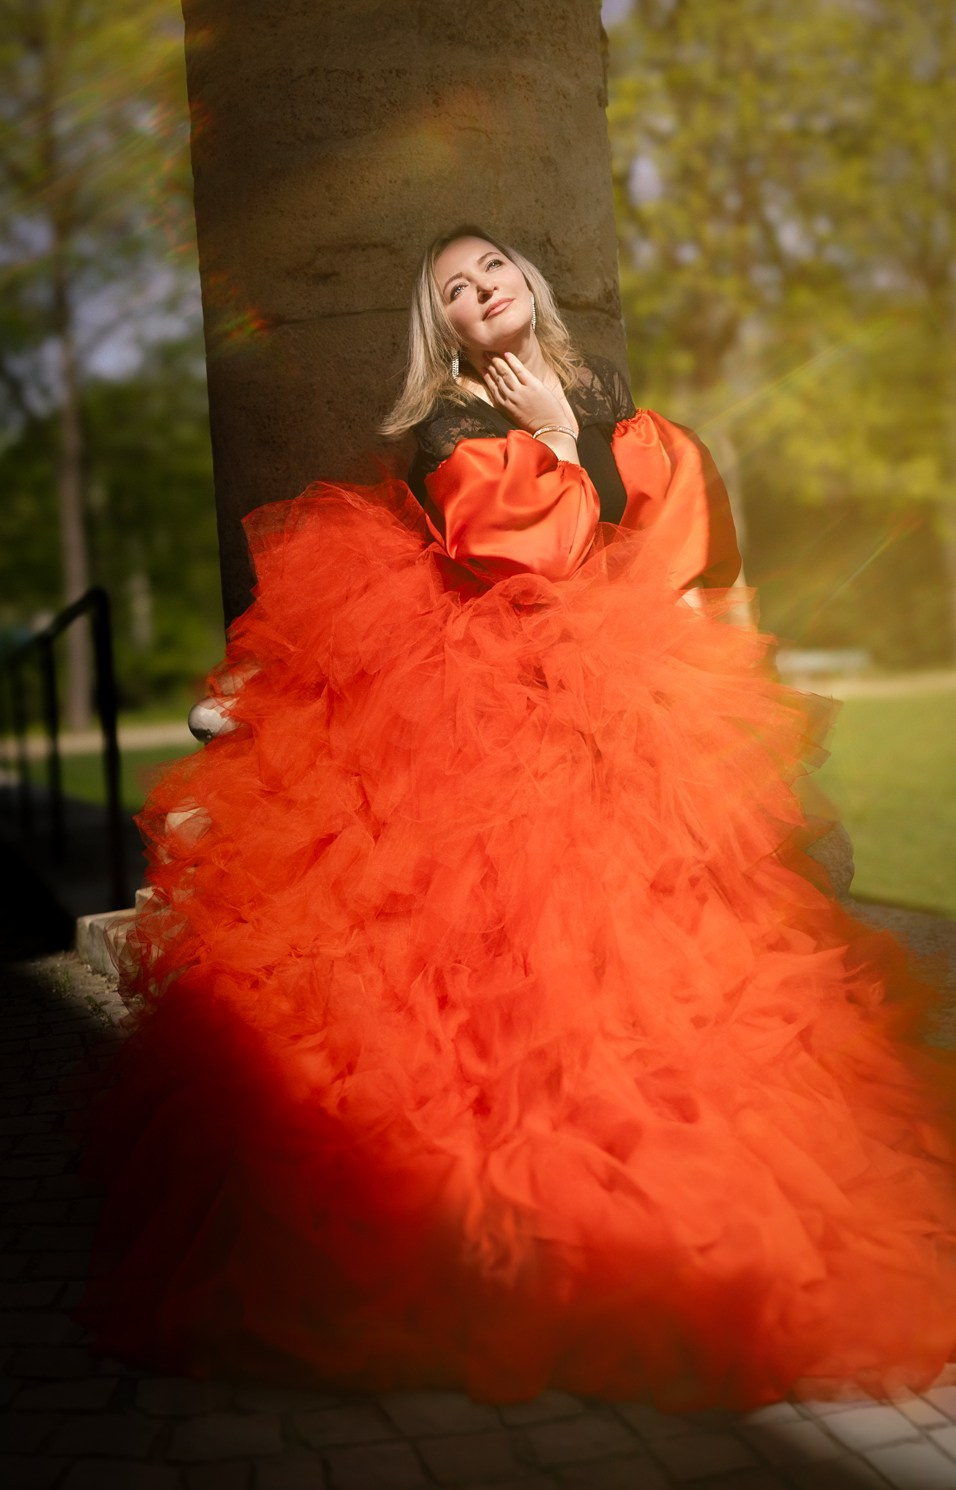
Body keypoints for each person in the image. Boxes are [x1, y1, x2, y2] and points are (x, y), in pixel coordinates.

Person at [79, 226, 956, 1411]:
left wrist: (575, 432)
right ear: (437, 324)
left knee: (666, 959)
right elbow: (522, 552)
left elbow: (665, 535)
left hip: (619, 691)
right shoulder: (449, 420)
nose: (479, 290)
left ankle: (668, 1200)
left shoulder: (600, 391)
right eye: (453, 287)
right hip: (489, 701)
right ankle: (513, 1229)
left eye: (493, 271)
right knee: (503, 960)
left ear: (528, 287)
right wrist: (547, 437)